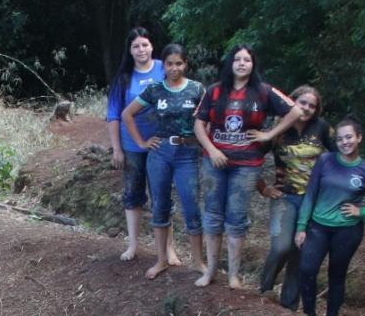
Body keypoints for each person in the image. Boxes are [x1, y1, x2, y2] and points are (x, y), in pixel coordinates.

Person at [193, 44, 303, 288]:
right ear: (230, 63)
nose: (242, 63)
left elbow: (295, 111)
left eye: (247, 60)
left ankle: (233, 274)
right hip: (214, 162)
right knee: (212, 215)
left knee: (237, 217)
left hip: (247, 164)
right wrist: (211, 150)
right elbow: (199, 124)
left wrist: (269, 134)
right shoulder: (214, 91)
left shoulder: (263, 92)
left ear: (253, 65)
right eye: (237, 59)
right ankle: (210, 271)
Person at [294, 116, 365, 316]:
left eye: (349, 137)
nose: (344, 142)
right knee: (307, 269)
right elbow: (310, 194)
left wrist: (363, 211)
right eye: (340, 139)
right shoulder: (325, 161)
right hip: (318, 226)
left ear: (359, 138)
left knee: (336, 276)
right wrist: (302, 226)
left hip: (347, 231)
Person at [120, 43, 206, 281]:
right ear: (163, 65)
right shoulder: (155, 90)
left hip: (187, 154)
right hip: (160, 153)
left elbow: (209, 118)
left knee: (191, 206)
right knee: (160, 205)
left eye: (179, 63)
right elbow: (127, 114)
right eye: (169, 64)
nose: (174, 68)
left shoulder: (197, 89)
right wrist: (142, 142)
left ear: (186, 64)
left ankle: (198, 262)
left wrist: (205, 143)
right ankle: (161, 260)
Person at [253, 85, 334, 307]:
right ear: (292, 102)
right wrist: (263, 188)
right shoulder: (278, 129)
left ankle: (289, 305)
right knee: (281, 247)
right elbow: (250, 160)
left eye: (312, 105)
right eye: (302, 103)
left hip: (313, 200)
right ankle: (265, 291)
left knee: (301, 251)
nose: (306, 108)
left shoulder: (322, 128)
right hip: (284, 197)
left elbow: (340, 157)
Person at [106, 26, 179, 266]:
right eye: (136, 46)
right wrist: (116, 149)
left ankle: (169, 249)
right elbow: (114, 115)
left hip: (162, 143)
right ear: (130, 50)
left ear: (152, 46)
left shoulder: (163, 68)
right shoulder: (123, 78)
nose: (141, 50)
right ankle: (133, 245)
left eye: (145, 45)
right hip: (132, 146)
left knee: (162, 195)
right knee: (132, 194)